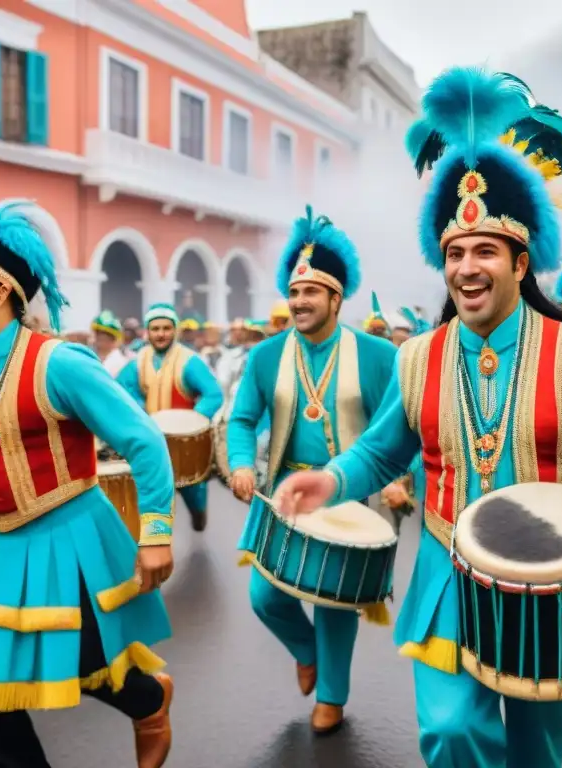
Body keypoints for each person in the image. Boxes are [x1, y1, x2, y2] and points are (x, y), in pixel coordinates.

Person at [273, 67, 562, 768]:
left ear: (520, 264)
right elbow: (380, 451)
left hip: (558, 577)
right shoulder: (417, 357)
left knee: (536, 749)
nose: (466, 266)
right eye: (455, 252)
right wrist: (330, 481)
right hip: (446, 570)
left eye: (485, 250)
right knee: (452, 731)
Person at [0, 202, 176, 768]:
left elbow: (144, 442)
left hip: (72, 535)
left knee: (84, 660)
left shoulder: (60, 364)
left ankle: (150, 700)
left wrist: (155, 533)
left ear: (1, 293)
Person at [226, 205, 397, 735]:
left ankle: (332, 698)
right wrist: (238, 463)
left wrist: (396, 478)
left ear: (336, 298)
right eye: (294, 293)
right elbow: (242, 419)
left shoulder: (376, 355)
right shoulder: (264, 355)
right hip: (282, 493)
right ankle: (306, 652)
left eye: (311, 293)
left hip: (346, 492)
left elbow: (399, 426)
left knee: (334, 602)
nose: (299, 302)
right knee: (265, 595)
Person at [118, 304, 222, 532]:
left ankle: (198, 512)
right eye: (155, 328)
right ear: (148, 331)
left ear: (174, 330)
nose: (161, 333)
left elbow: (213, 393)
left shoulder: (189, 361)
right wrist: (140, 412)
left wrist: (191, 421)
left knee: (192, 487)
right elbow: (123, 391)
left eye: (166, 328)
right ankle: (155, 539)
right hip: (151, 439)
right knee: (152, 493)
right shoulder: (138, 362)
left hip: (183, 442)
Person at [92, 310, 130, 377]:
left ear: (113, 339)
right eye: (97, 332)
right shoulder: (94, 357)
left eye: (102, 334)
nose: (98, 337)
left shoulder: (118, 362)